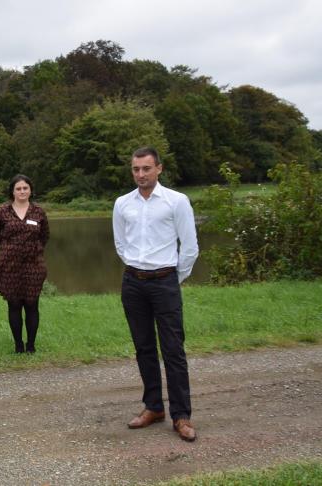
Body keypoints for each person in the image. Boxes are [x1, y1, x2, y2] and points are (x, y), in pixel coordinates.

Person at [112, 147, 199, 442]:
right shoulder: (123, 204)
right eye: (136, 169)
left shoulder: (177, 202)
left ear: (159, 169)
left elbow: (189, 247)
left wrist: (174, 277)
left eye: (146, 169)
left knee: (173, 349)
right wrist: (136, 268)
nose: (140, 175)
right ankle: (153, 407)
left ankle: (181, 415)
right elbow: (121, 243)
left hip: (165, 282)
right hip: (133, 283)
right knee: (144, 347)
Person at [0, 175, 50, 353]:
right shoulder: (2, 211)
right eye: (18, 188)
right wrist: (10, 246)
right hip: (10, 267)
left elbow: (44, 236)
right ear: (12, 191)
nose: (22, 191)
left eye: (25, 188)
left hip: (34, 266)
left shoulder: (38, 212)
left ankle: (31, 346)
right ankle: (18, 346)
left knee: (32, 305)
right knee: (14, 305)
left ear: (30, 190)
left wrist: (33, 248)